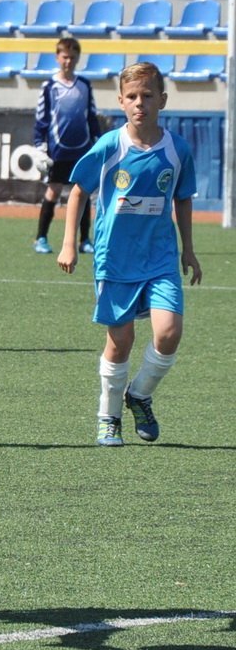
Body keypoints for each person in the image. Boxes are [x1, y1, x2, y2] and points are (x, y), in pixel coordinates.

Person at [57, 62, 201, 446]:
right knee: (120, 341)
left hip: (160, 257)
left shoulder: (177, 150)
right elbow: (78, 191)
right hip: (115, 258)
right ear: (121, 101)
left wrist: (188, 249)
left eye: (148, 96)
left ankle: (138, 393)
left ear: (162, 100)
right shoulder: (110, 146)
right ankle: (109, 416)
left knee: (168, 332)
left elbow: (183, 198)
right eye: (133, 96)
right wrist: (69, 242)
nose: (140, 103)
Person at [32, 36, 102, 256]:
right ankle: (41, 237)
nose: (68, 61)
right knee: (53, 191)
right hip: (58, 150)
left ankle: (85, 240)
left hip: (82, 149)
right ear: (57, 57)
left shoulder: (84, 85)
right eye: (64, 57)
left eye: (72, 57)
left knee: (83, 192)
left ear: (78, 58)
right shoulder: (49, 86)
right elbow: (42, 119)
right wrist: (39, 146)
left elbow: (91, 116)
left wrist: (98, 141)